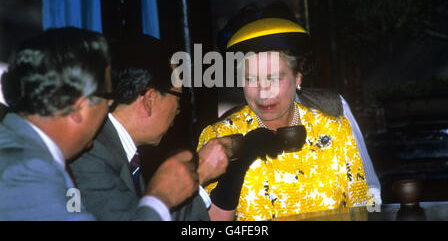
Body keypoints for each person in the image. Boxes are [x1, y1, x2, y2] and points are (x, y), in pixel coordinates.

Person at [0, 28, 199, 221]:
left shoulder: (28, 155)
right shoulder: (27, 171)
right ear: (79, 108)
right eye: (108, 97)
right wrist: (160, 198)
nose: (111, 106)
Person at [197, 18, 372, 221]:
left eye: (274, 78)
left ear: (298, 77)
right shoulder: (219, 137)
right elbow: (202, 224)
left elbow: (362, 210)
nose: (263, 91)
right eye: (251, 79)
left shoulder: (335, 131)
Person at [70, 34, 232, 221]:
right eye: (178, 96)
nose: (179, 109)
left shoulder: (124, 155)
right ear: (150, 99)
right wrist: (199, 174)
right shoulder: (91, 157)